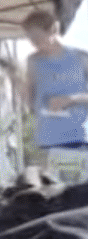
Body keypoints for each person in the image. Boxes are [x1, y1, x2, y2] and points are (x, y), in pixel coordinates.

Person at [18, 9, 87, 166]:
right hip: (47, 139)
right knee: (50, 189)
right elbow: (30, 102)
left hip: (79, 137)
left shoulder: (80, 58)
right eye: (29, 38)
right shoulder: (33, 61)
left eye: (37, 37)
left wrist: (71, 99)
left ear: (53, 31)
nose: (33, 43)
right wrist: (18, 84)